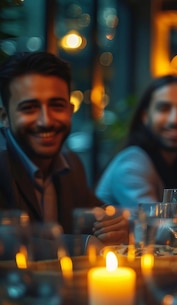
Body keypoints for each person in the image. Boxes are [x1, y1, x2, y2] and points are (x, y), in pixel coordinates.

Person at [0, 51, 126, 246]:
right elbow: (6, 243)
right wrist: (81, 246)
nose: (46, 121)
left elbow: (102, 216)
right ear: (4, 117)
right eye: (29, 108)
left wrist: (116, 226)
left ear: (70, 110)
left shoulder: (71, 165)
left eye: (57, 106)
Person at [96, 75, 177, 207]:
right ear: (145, 116)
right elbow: (154, 224)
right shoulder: (132, 163)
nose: (175, 120)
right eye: (164, 109)